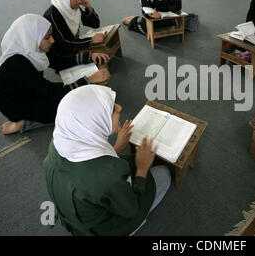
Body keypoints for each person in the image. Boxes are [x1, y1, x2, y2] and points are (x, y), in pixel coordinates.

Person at [43, 85, 171, 236]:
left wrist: (115, 147)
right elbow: (131, 208)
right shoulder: (109, 176)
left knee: (130, 162)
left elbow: (85, 174)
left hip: (80, 210)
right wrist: (142, 168)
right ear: (94, 121)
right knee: (164, 174)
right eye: (112, 110)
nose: (119, 107)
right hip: (101, 230)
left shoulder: (57, 145)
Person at [0, 14, 110, 135]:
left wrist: (90, 56)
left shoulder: (31, 48)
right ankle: (23, 123)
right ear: (32, 37)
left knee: (73, 99)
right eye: (47, 37)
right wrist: (88, 80)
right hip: (14, 105)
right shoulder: (18, 64)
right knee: (71, 107)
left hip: (27, 91)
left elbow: (58, 61)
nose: (52, 40)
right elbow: (51, 91)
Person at [43, 0, 106, 70]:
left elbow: (95, 24)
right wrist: (91, 40)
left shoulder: (73, 9)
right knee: (95, 63)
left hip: (73, 46)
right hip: (60, 55)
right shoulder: (52, 16)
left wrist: (89, 7)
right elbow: (65, 43)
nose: (79, 1)